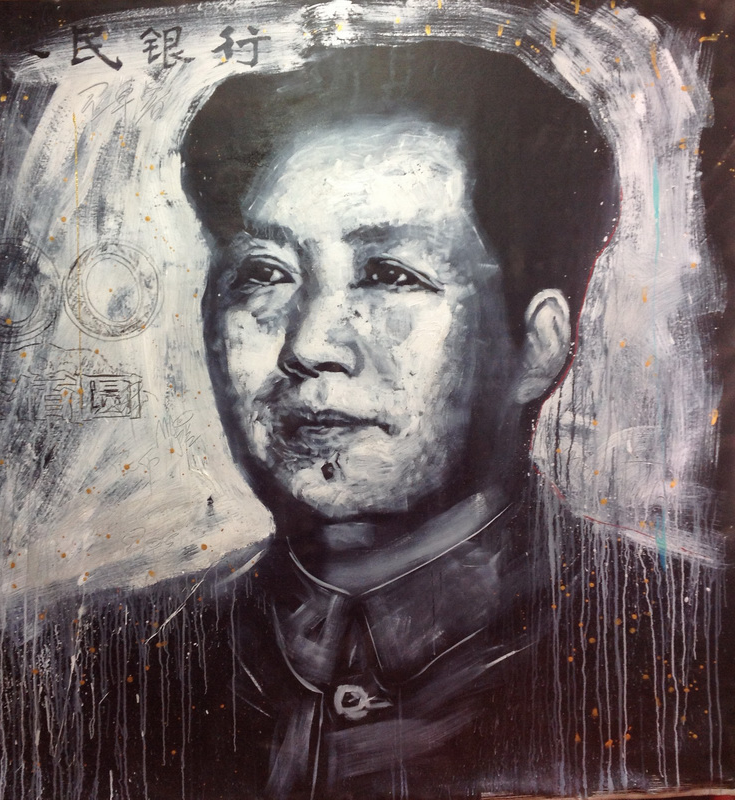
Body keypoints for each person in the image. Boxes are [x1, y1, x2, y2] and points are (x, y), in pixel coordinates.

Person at [68, 43, 726, 800]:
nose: (308, 344)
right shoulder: (92, 670)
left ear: (537, 347)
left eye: (389, 275)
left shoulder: (692, 643)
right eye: (265, 274)